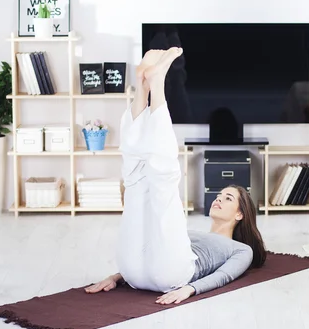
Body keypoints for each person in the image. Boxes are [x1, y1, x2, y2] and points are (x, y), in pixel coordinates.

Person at [85, 47, 267, 305]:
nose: (218, 198)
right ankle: (143, 86)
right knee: (136, 177)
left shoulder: (241, 250)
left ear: (241, 213)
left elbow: (225, 276)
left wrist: (190, 289)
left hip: (174, 275)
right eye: (220, 194)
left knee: (163, 179)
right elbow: (156, 244)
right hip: (133, 272)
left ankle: (157, 84)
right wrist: (117, 277)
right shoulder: (186, 233)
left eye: (228, 198)